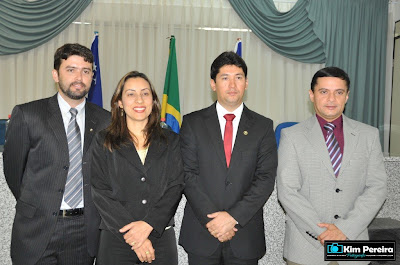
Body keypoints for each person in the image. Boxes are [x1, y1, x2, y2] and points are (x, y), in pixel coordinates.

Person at [3, 43, 110, 265]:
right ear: (55, 74)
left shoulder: (105, 121)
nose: (79, 77)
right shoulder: (28, 114)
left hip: (83, 231)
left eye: (86, 71)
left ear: (92, 77)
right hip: (36, 229)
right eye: (71, 69)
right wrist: (39, 203)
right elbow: (14, 172)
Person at [276, 66, 387, 265]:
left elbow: (377, 188)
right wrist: (322, 233)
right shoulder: (292, 136)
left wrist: (344, 229)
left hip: (353, 246)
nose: (331, 99)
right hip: (307, 246)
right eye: (324, 91)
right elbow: (288, 191)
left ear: (347, 96)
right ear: (311, 95)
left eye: (339, 92)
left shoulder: (368, 135)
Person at [179, 51, 278, 265]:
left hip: (245, 235)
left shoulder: (263, 127)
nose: (232, 84)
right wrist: (214, 220)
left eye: (238, 77)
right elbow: (188, 175)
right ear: (213, 84)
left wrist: (232, 218)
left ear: (247, 83)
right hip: (202, 233)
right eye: (225, 78)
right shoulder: (192, 123)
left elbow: (265, 178)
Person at [91, 71, 184, 265]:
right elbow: (100, 190)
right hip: (117, 236)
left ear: (154, 101)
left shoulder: (171, 141)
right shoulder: (103, 140)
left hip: (160, 236)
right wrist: (134, 235)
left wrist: (148, 225)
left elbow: (175, 186)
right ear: (120, 103)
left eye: (145, 93)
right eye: (131, 94)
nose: (139, 99)